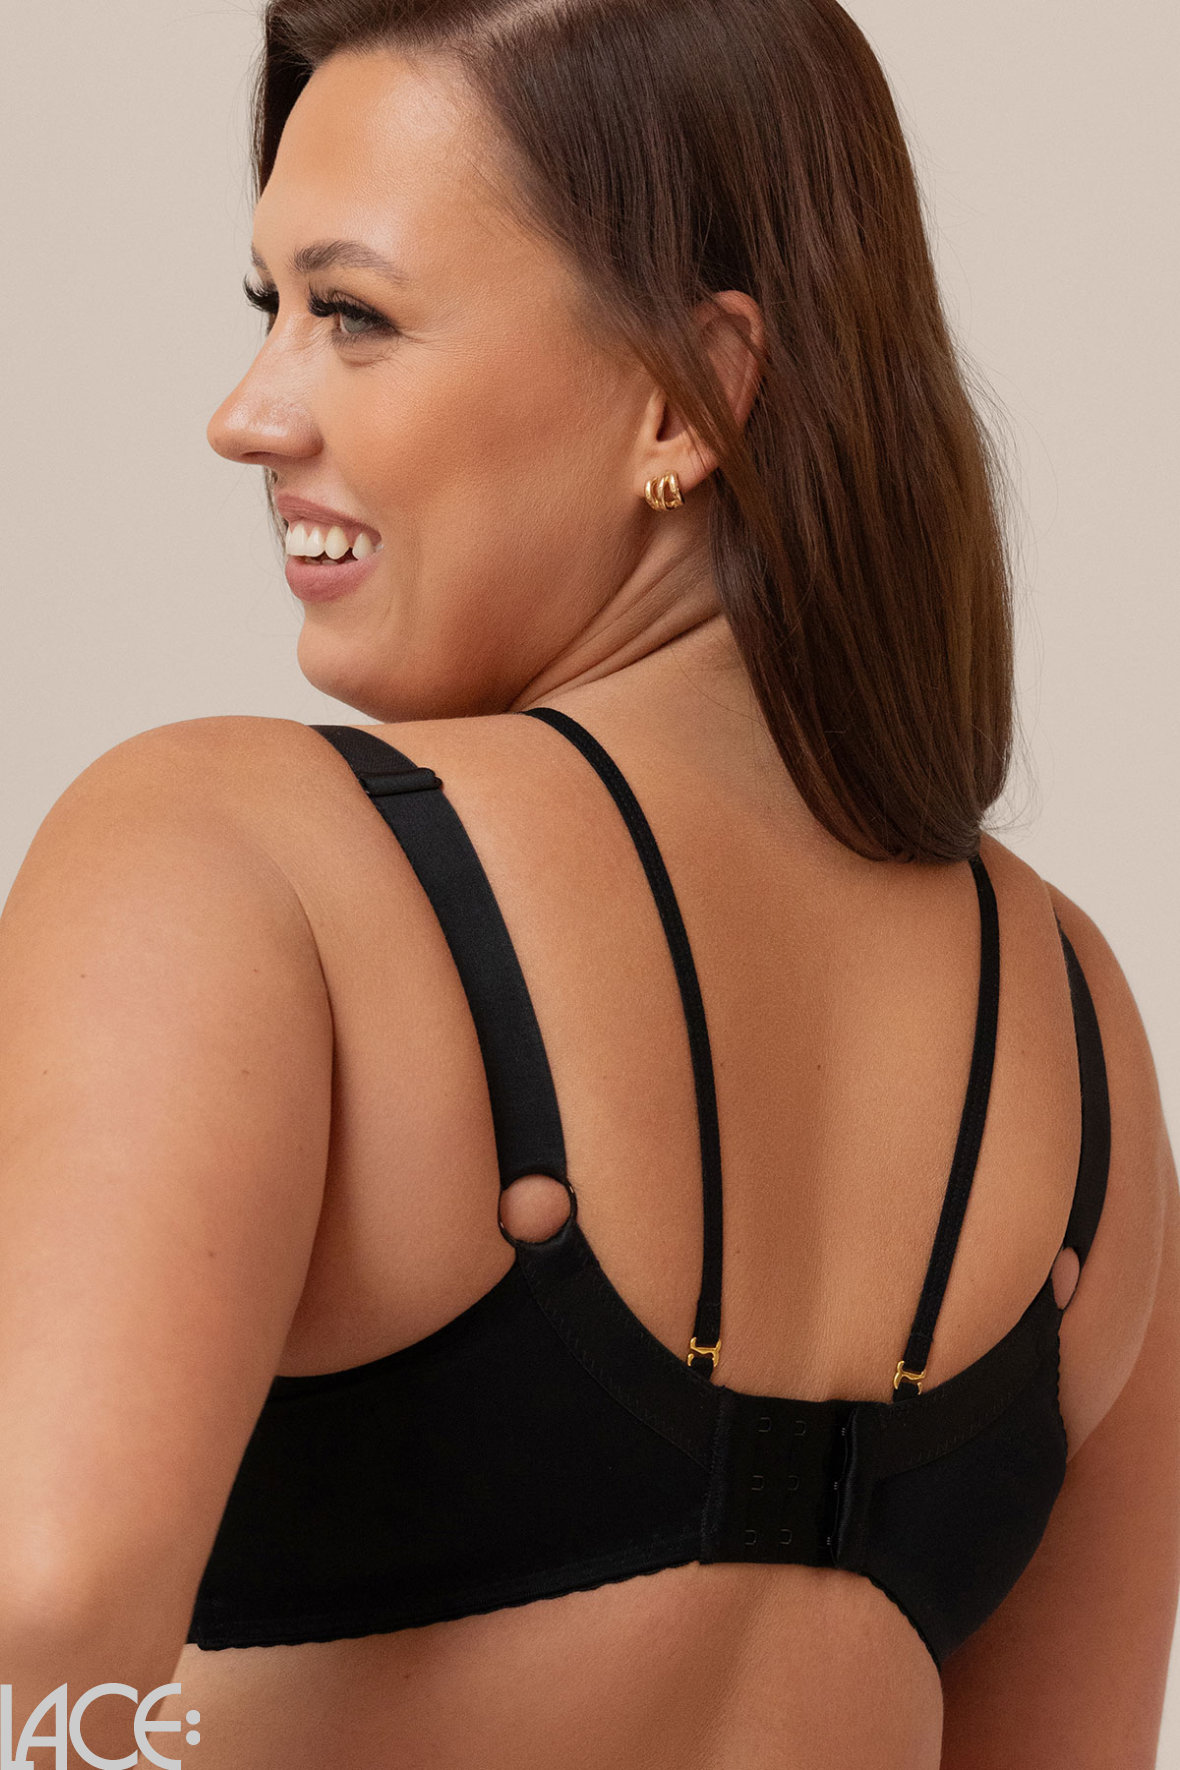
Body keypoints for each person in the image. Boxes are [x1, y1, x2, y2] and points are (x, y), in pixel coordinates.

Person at [0, 1, 1176, 1765]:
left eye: (354, 315)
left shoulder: (237, 858)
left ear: (684, 394)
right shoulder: (1077, 1037)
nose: (248, 417)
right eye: (269, 310)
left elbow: (39, 1628)